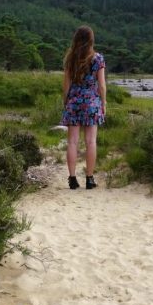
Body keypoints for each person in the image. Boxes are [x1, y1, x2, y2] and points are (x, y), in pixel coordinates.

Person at [61, 25, 106, 189]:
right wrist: (104, 103)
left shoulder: (70, 58)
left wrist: (66, 101)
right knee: (91, 142)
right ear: (91, 40)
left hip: (74, 102)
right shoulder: (98, 58)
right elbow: (101, 86)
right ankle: (89, 179)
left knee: (72, 142)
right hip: (92, 103)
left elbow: (66, 85)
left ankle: (72, 179)